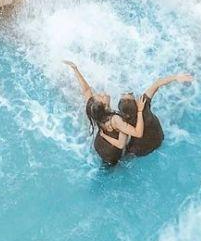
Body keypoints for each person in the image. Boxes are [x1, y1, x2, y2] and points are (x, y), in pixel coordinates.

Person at [63, 61, 192, 165]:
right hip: (114, 152)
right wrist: (140, 111)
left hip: (103, 147)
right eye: (101, 97)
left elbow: (86, 91)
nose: (101, 94)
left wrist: (76, 70)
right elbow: (128, 139)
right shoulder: (119, 120)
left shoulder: (94, 112)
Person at [118, 73, 193, 158]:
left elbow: (121, 143)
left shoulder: (123, 120)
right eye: (130, 94)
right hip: (158, 139)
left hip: (140, 150)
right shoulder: (143, 103)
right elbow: (157, 83)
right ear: (135, 103)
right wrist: (176, 77)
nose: (129, 92)